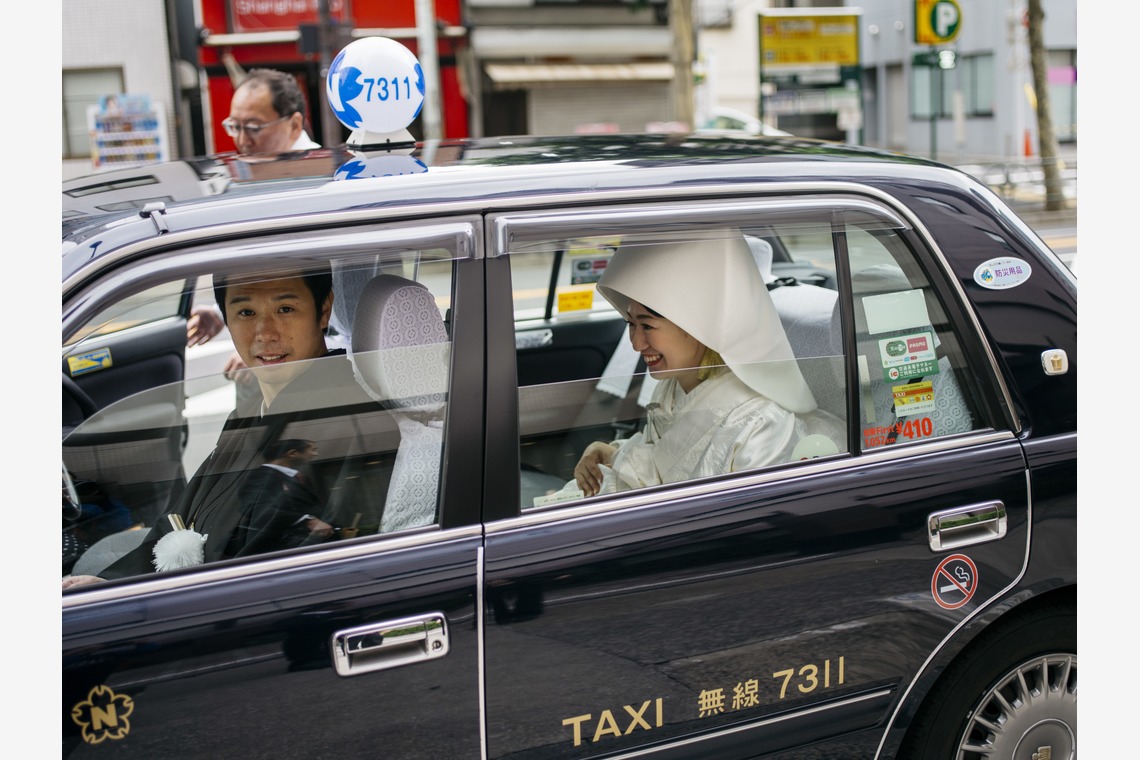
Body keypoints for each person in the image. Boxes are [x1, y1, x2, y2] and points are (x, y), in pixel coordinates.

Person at [64, 265, 378, 588]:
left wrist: (124, 595)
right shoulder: (251, 412)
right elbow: (183, 516)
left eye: (285, 309)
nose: (265, 332)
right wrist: (106, 583)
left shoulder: (339, 424)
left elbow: (261, 579)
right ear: (226, 319)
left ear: (324, 310)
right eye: (245, 312)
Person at [570, 230, 844, 498]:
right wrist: (612, 453)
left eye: (648, 326)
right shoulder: (676, 386)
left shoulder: (761, 425)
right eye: (630, 324)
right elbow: (662, 458)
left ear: (699, 325)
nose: (637, 343)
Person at [226, 438, 335, 557]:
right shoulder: (261, 478)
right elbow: (259, 510)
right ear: (292, 453)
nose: (315, 454)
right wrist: (308, 520)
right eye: (313, 449)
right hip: (284, 549)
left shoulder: (292, 477)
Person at [224, 68, 321, 156]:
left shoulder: (322, 172)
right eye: (236, 127)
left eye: (253, 128)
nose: (243, 141)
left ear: (294, 125)